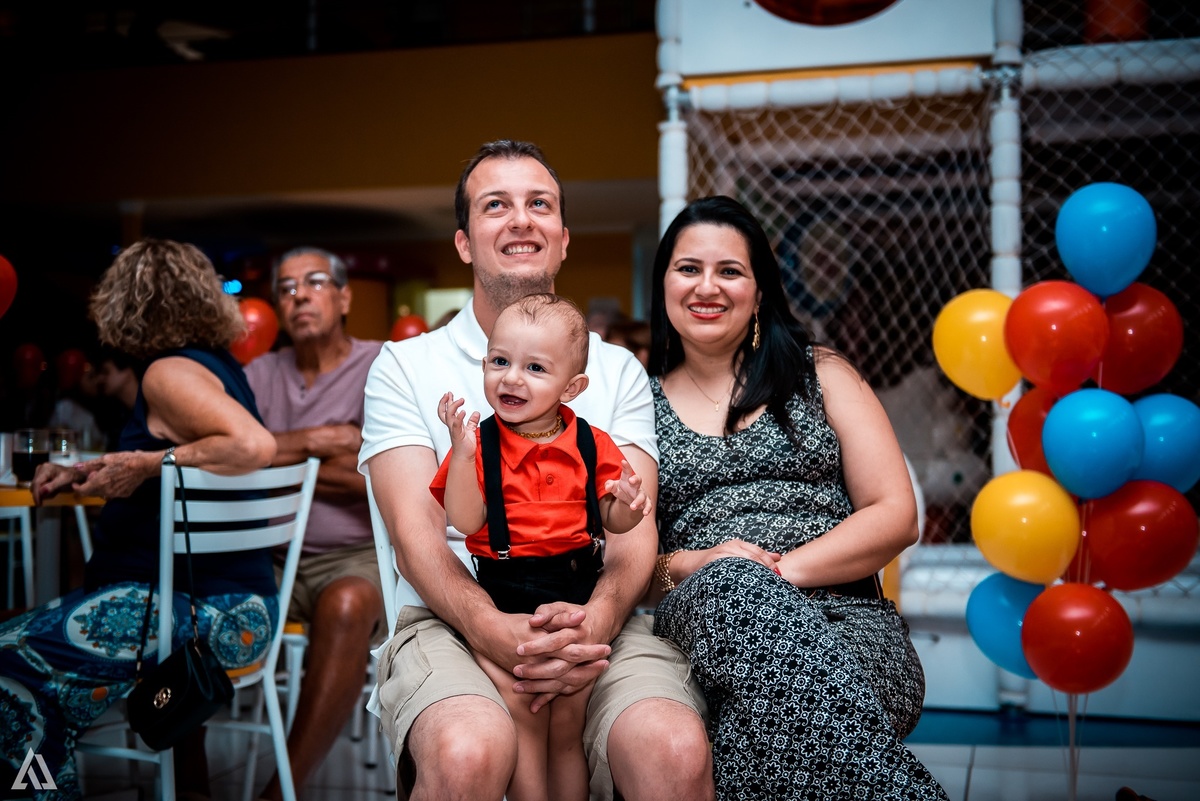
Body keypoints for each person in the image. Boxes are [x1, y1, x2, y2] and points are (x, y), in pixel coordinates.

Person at [359, 139, 713, 801]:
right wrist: (495, 630)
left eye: (539, 204)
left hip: (590, 604)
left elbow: (634, 535)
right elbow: (418, 538)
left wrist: (592, 624)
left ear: (564, 238)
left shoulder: (615, 371)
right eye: (498, 205)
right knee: (468, 752)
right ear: (464, 243)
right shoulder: (405, 367)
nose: (522, 219)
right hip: (450, 611)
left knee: (674, 748)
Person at [645, 196, 949, 800]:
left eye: (730, 271)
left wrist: (777, 575)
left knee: (750, 748)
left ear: (759, 292)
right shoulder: (634, 406)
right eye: (688, 269)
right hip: (706, 622)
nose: (708, 286)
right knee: (733, 583)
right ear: (664, 286)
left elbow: (895, 513)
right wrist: (710, 569)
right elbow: (625, 558)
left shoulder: (821, 372)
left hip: (855, 627)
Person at [0, 239, 279, 801]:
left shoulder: (167, 374)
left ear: (129, 302)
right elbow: (171, 463)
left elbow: (254, 445)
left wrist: (148, 462)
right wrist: (97, 470)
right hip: (228, 609)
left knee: (7, 664)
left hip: (195, 615)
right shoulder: (215, 367)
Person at [434, 293, 652, 801]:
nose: (511, 378)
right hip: (505, 592)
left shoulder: (591, 442)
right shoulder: (479, 444)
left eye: (535, 367)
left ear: (571, 387)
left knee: (567, 720)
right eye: (500, 361)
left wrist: (628, 504)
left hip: (575, 588)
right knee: (524, 708)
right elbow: (465, 520)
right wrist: (462, 456)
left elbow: (612, 522)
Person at [242, 246, 385, 799]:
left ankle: (281, 792)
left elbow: (381, 477)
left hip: (351, 555)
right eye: (285, 287)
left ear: (345, 296)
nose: (298, 294)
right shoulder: (257, 373)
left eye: (316, 282)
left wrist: (270, 454)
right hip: (265, 554)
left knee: (347, 604)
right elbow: (226, 457)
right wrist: (321, 444)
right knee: (190, 592)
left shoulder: (381, 365)